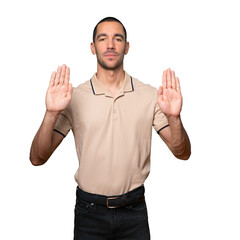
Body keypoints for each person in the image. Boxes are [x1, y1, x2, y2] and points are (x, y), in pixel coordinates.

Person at [30, 17, 191, 240]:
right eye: (102, 38)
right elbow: (37, 158)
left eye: (118, 38)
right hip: (89, 213)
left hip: (134, 212)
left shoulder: (150, 95)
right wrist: (51, 113)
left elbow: (182, 153)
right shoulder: (72, 97)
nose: (110, 45)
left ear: (127, 47)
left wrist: (174, 117)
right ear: (92, 47)